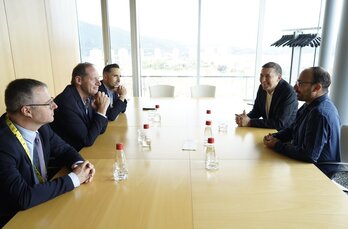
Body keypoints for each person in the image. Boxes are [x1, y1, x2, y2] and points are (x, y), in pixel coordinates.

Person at [0, 79, 95, 227]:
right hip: (15, 217)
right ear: (27, 111)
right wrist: (74, 178)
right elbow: (23, 197)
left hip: (42, 201)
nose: (55, 105)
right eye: (48, 103)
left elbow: (64, 149)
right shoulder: (4, 144)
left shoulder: (42, 127)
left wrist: (81, 166)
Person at [263, 67, 341, 167]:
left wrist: (277, 145)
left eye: (300, 83)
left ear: (316, 88)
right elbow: (292, 131)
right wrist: (273, 137)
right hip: (301, 164)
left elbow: (309, 156)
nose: (295, 87)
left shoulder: (319, 113)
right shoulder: (309, 105)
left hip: (317, 173)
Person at [50, 62, 110, 151]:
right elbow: (87, 140)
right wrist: (101, 111)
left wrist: (99, 110)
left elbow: (101, 130)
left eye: (99, 79)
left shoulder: (88, 97)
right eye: (94, 79)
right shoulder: (66, 102)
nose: (99, 83)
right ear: (79, 80)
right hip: (66, 158)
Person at [235, 62, 298, 130]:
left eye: (267, 76)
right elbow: (257, 111)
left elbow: (279, 123)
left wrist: (250, 122)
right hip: (268, 132)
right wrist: (244, 118)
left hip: (284, 136)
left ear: (279, 77)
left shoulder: (288, 92)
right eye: (261, 75)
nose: (263, 80)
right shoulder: (262, 88)